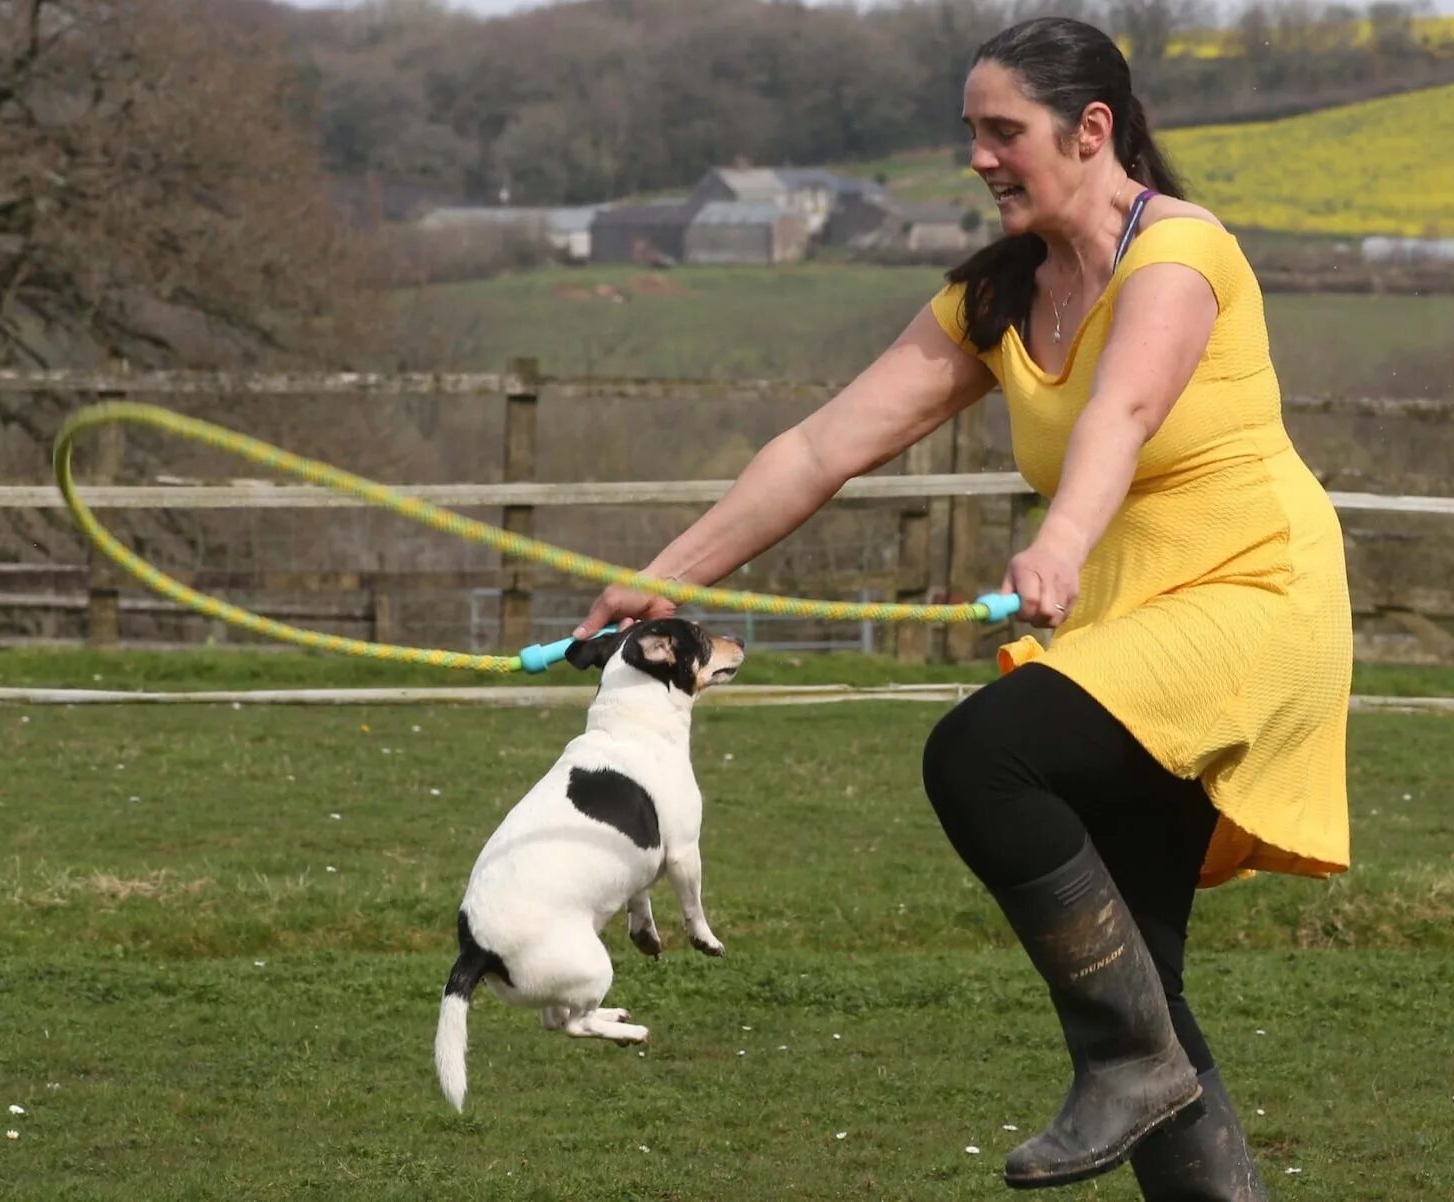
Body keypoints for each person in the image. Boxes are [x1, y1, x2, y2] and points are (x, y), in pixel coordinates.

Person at [574, 16, 1350, 1199]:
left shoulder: (1182, 255)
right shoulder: (999, 296)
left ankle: (1128, 1060)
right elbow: (822, 445)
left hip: (1250, 594)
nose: (980, 158)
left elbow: (1123, 413)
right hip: (1128, 623)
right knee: (1145, 977)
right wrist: (664, 579)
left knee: (983, 754)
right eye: (971, 134)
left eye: (1005, 132)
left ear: (1092, 130)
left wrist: (1063, 537)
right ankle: (1146, 1072)